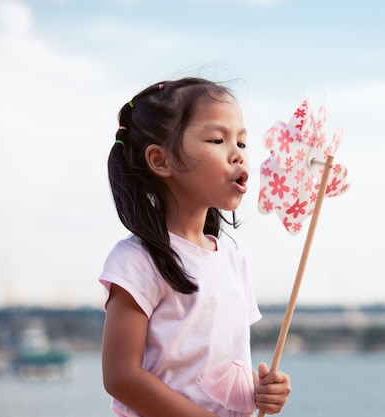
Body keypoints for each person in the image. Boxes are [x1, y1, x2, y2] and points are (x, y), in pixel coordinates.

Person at [99, 77, 292, 417]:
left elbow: (213, 371)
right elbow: (120, 376)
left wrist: (260, 390)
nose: (238, 155)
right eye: (218, 139)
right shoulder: (137, 260)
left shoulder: (233, 261)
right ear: (161, 160)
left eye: (242, 143)